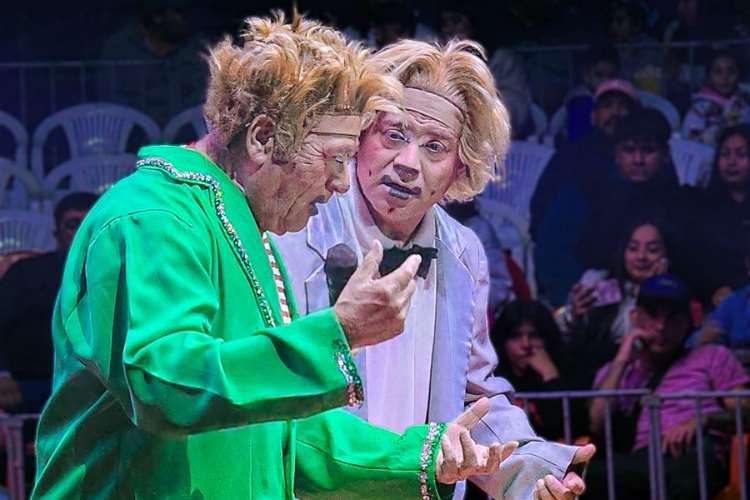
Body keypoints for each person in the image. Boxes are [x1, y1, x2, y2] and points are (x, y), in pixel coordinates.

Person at [32, 14, 511, 500]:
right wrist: (339, 333)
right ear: (263, 138)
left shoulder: (243, 230)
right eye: (335, 159)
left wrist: (420, 457)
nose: (341, 183)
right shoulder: (154, 218)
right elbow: (168, 386)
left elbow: (277, 431)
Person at [276, 38, 595, 500]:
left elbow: (470, 398)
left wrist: (533, 473)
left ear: (460, 168)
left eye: (434, 147)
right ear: (360, 135)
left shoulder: (463, 253)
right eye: (394, 135)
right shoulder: (296, 227)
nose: (408, 164)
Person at [585, 274, 749, 499]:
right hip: (645, 460)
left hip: (697, 451)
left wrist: (702, 420)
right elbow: (597, 424)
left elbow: (745, 411)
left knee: (689, 470)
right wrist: (622, 360)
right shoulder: (615, 372)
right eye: (652, 315)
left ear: (688, 322)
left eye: (673, 318)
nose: (662, 327)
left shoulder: (712, 356)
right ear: (634, 317)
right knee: (580, 478)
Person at [532, 79, 639, 305]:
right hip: (572, 265)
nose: (615, 113)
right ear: (593, 116)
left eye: (623, 106)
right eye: (607, 106)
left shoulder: (645, 161)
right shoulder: (572, 156)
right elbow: (541, 208)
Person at [0, 192, 98, 413]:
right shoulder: (25, 273)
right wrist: (2, 374)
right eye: (72, 225)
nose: (82, 232)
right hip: (32, 384)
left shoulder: (120, 275)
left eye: (91, 223)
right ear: (57, 234)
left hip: (99, 384)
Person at [562, 217, 673, 389]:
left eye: (652, 250)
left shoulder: (674, 293)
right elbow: (561, 334)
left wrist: (654, 289)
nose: (641, 257)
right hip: (591, 379)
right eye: (633, 248)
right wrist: (573, 315)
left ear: (666, 256)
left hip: (649, 382)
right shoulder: (597, 281)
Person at [575, 107, 688, 271]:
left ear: (665, 154)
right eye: (629, 150)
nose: (638, 160)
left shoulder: (683, 205)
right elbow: (588, 256)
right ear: (616, 155)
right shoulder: (601, 200)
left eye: (648, 150)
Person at [98, 0, 207, 126]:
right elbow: (109, 100)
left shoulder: (196, 48)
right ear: (157, 17)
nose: (186, 19)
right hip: (132, 133)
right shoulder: (118, 48)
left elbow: (203, 98)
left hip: (186, 133)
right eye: (179, 12)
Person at [491, 299, 581, 441]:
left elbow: (567, 428)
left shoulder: (569, 371)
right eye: (516, 336)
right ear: (503, 342)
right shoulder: (492, 380)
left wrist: (550, 375)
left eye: (533, 336)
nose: (526, 344)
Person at [685, 124, 750, 303]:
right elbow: (696, 261)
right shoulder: (703, 206)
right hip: (713, 298)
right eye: (725, 154)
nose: (731, 162)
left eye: (741, 154)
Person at [682, 50, 750, 145]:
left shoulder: (745, 100)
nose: (725, 77)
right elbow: (689, 139)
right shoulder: (700, 108)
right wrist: (716, 133)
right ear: (709, 76)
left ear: (739, 74)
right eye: (718, 72)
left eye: (731, 71)